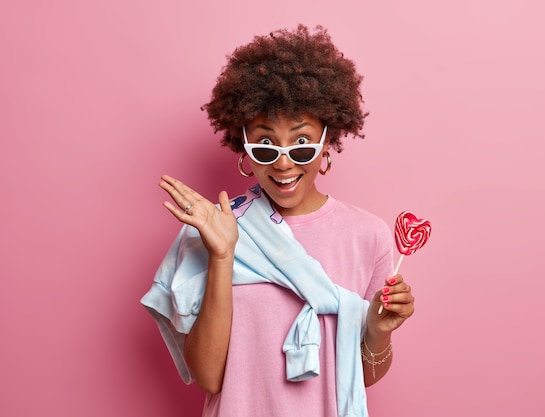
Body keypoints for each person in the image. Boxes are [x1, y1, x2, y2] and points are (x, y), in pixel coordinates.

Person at [141, 24, 415, 417]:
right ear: (245, 152)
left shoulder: (368, 235)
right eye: (266, 145)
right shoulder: (212, 231)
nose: (284, 162)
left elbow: (363, 377)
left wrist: (379, 330)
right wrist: (222, 255)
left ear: (325, 144)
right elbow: (208, 377)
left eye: (301, 144)